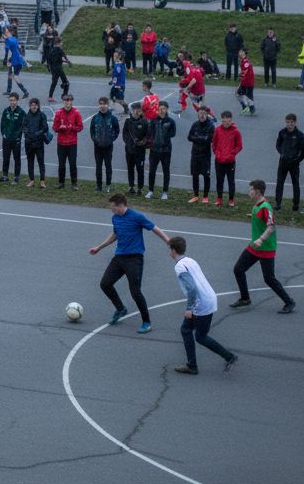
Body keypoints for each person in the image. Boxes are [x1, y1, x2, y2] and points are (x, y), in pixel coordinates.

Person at [88, 194, 171, 333]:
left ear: (120, 205)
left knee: (135, 292)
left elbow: (155, 229)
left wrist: (168, 241)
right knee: (105, 284)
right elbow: (115, 235)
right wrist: (99, 247)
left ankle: (147, 322)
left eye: (112, 207)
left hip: (134, 259)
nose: (111, 209)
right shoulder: (115, 218)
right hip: (119, 257)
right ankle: (120, 309)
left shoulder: (137, 217)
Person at [169, 236, 237, 375]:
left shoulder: (180, 267)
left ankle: (225, 358)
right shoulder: (190, 260)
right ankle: (193, 364)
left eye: (170, 249)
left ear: (174, 250)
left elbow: (192, 289)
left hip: (200, 304)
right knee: (190, 331)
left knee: (197, 335)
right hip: (209, 298)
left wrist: (189, 309)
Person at [230, 180, 296, 313]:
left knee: (269, 278)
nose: (250, 192)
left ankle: (289, 302)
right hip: (254, 247)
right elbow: (262, 221)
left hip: (265, 248)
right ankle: (245, 298)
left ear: (258, 191)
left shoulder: (265, 207)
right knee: (238, 269)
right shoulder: (257, 206)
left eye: (251, 190)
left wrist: (260, 239)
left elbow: (271, 227)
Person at [145, 101, 176, 200]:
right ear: (157, 110)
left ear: (166, 109)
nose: (162, 111)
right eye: (160, 109)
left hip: (166, 151)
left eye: (163, 109)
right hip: (154, 150)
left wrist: (164, 136)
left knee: (166, 171)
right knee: (152, 171)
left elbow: (173, 133)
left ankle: (165, 192)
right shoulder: (153, 121)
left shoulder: (171, 121)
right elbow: (149, 133)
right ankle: (150, 190)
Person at [211, 111, 243, 207]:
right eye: (224, 121)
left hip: (230, 161)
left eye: (228, 121)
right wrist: (217, 153)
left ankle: (231, 200)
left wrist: (231, 154)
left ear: (231, 120)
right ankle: (219, 198)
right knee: (219, 180)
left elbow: (239, 146)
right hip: (219, 161)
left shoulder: (236, 132)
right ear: (222, 120)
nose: (226, 123)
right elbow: (214, 143)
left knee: (231, 181)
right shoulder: (217, 130)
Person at [274, 113, 304, 211]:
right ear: (285, 122)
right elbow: (278, 145)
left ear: (295, 122)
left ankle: (295, 205)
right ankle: (278, 204)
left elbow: (303, 150)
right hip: (283, 162)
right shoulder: (282, 132)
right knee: (279, 183)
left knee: (295, 184)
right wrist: (281, 153)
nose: (289, 124)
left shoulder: (299, 134)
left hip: (294, 163)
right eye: (287, 122)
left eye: (291, 122)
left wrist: (297, 159)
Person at [89, 96, 119, 192]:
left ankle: (108, 185)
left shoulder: (113, 118)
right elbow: (92, 131)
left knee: (108, 166)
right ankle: (99, 185)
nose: (102, 106)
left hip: (108, 146)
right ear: (99, 105)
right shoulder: (95, 118)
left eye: (104, 104)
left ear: (108, 105)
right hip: (97, 147)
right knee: (98, 166)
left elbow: (117, 131)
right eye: (101, 104)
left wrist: (110, 140)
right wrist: (96, 140)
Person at [186, 106, 215, 203]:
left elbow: (209, 139)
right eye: (200, 113)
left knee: (206, 176)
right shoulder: (195, 124)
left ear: (207, 114)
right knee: (195, 175)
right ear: (198, 114)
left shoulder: (211, 125)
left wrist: (197, 137)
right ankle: (196, 195)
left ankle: (205, 197)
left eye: (204, 113)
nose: (202, 115)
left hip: (205, 155)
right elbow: (189, 137)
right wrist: (200, 138)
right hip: (195, 154)